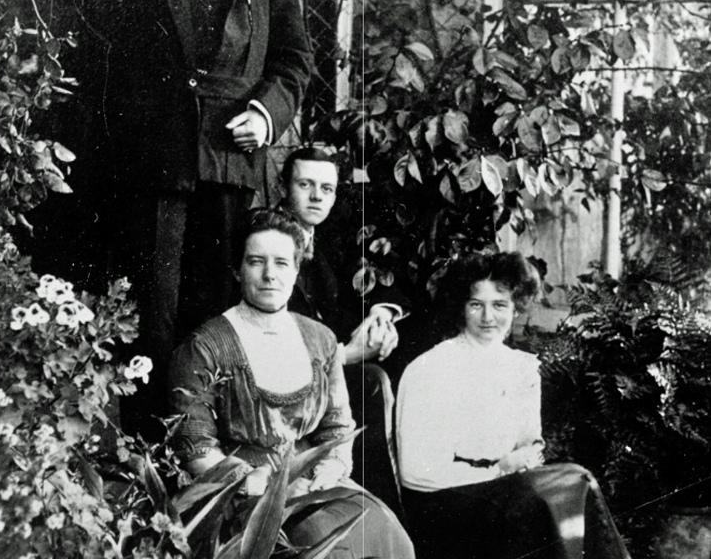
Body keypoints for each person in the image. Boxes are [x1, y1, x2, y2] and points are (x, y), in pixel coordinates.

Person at [75, 0, 312, 438]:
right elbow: (96, 69)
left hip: (231, 163)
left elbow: (294, 60)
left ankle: (215, 456)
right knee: (150, 317)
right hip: (152, 165)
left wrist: (266, 113)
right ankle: (147, 457)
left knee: (220, 315)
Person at [168, 208, 415, 558]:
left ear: (297, 270)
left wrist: (330, 468)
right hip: (240, 493)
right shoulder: (204, 347)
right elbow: (195, 445)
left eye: (282, 263)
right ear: (237, 270)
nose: (270, 275)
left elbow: (337, 426)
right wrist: (268, 486)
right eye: (256, 262)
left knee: (386, 531)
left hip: (315, 482)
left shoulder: (321, 339)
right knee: (321, 541)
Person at [396, 252, 630, 559]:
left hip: (505, 493)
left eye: (500, 305)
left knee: (574, 482)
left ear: (516, 307)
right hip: (443, 506)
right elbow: (415, 473)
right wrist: (498, 470)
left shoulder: (520, 367)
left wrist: (522, 460)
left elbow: (529, 444)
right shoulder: (431, 368)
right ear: (461, 307)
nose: (488, 317)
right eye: (476, 304)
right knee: (538, 500)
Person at [279, 147, 409, 509]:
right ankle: (382, 511)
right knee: (372, 382)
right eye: (305, 184)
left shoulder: (328, 235)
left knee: (400, 358)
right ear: (283, 187)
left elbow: (374, 281)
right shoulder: (268, 237)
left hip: (329, 371)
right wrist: (345, 355)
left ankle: (394, 509)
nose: (317, 197)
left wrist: (380, 316)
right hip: (288, 379)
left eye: (327, 189)